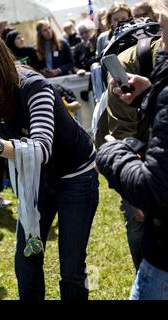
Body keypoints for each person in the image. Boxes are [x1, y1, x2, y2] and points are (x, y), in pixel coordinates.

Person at [0, 31, 99, 300]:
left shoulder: (35, 87)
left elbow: (41, 148)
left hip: (77, 176)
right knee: (26, 261)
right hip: (37, 180)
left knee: (71, 269)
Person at [97, 0, 168, 300]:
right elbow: (123, 127)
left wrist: (111, 154)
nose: (160, 37)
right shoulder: (127, 61)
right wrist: (151, 91)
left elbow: (154, 189)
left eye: (163, 25)